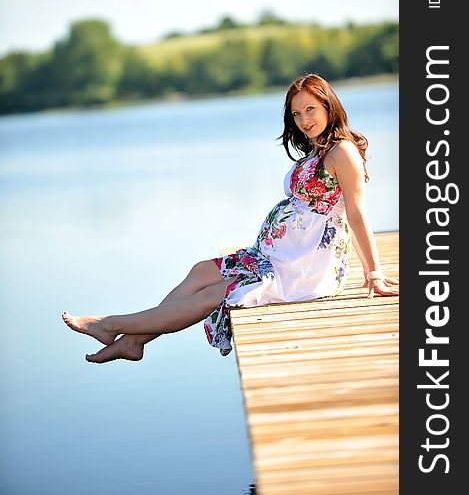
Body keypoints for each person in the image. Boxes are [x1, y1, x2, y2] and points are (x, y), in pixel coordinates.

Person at [62, 73, 399, 363]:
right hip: (278, 255)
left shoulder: (343, 152)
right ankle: (135, 342)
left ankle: (111, 325)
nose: (303, 119)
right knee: (201, 272)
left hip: (302, 268)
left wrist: (374, 272)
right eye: (296, 113)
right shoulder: (319, 149)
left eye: (310, 108)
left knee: (217, 293)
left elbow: (355, 214)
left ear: (329, 105)